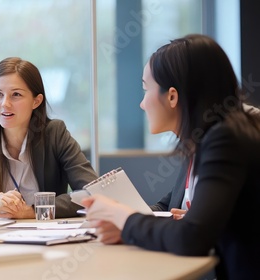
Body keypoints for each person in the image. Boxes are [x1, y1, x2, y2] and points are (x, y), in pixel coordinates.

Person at [82, 34, 260, 279]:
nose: (142, 104)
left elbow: (192, 237)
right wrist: (127, 225)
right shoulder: (206, 137)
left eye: (146, 89)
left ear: (173, 96)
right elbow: (176, 209)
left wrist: (120, 215)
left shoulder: (224, 139)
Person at [0, 57, 98, 220]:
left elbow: (93, 192)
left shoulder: (55, 134)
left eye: (16, 95)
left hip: (46, 239)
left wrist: (33, 211)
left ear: (36, 101)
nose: (5, 104)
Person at [151, 103, 260, 220]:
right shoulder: (194, 146)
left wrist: (194, 221)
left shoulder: (234, 131)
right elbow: (169, 205)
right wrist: (133, 216)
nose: (142, 104)